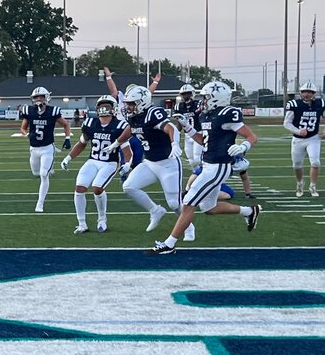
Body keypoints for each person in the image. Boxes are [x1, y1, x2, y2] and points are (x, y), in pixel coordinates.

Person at [147, 82, 261, 255]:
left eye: (206, 97)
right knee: (209, 208)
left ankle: (169, 244)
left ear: (217, 98)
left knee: (188, 203)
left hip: (218, 166)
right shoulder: (206, 115)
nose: (203, 101)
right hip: (208, 164)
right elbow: (203, 140)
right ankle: (249, 211)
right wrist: (188, 127)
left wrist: (243, 146)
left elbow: (252, 136)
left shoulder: (227, 114)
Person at [104, 85, 195, 240]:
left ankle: (189, 227)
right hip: (150, 163)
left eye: (131, 103)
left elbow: (171, 127)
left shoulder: (154, 113)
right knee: (129, 186)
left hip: (168, 163)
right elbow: (131, 130)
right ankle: (155, 210)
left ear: (142, 102)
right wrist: (116, 143)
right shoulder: (134, 116)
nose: (128, 106)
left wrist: (174, 144)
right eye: (127, 103)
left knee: (174, 204)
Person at [60, 95, 132, 233]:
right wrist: (68, 158)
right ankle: (82, 223)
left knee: (97, 188)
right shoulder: (90, 123)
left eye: (108, 106)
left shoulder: (120, 126)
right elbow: (82, 143)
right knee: (79, 188)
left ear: (114, 108)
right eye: (101, 106)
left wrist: (127, 164)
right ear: (97, 108)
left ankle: (102, 219)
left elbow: (126, 149)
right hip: (92, 160)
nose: (104, 109)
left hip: (110, 162)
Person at [19, 86, 72, 213]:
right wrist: (27, 135)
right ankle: (49, 168)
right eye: (36, 97)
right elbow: (22, 128)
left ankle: (40, 203)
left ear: (46, 98)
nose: (38, 99)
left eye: (41, 96)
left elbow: (66, 124)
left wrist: (67, 138)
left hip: (47, 148)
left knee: (44, 175)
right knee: (35, 172)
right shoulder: (29, 111)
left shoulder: (52, 111)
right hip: (34, 149)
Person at [283, 81, 324, 197]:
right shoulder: (294, 104)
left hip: (313, 138)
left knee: (315, 162)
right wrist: (298, 131)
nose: (307, 94)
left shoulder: (320, 103)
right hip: (298, 139)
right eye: (305, 92)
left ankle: (313, 186)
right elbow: (286, 123)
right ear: (300, 93)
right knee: (297, 165)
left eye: (310, 92)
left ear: (314, 93)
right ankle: (300, 183)